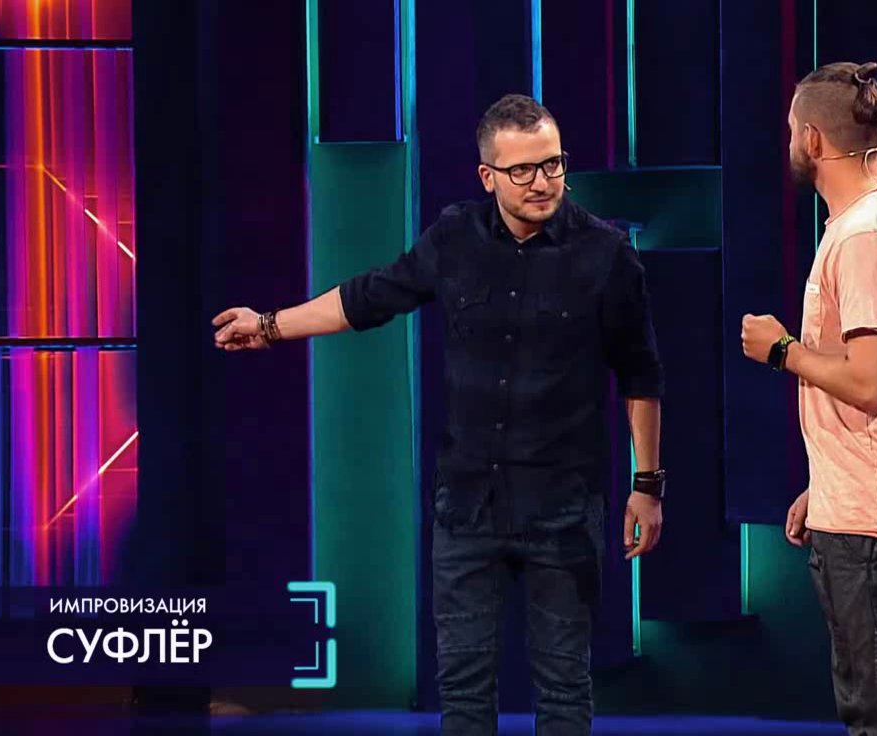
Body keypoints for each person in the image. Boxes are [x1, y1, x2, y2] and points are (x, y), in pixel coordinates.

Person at [213, 93, 665, 736]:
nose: (542, 182)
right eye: (522, 170)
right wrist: (268, 326)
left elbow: (641, 375)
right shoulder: (454, 238)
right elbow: (369, 297)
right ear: (488, 176)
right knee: (463, 696)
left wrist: (647, 486)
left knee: (565, 693)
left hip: (562, 509)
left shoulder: (608, 254)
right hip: (466, 507)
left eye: (553, 164)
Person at [741, 62, 877, 736]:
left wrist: (780, 349)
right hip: (864, 506)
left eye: (790, 132)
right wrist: (826, 482)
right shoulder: (869, 224)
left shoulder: (869, 236)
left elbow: (870, 381)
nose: (789, 143)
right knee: (876, 710)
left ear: (812, 140)